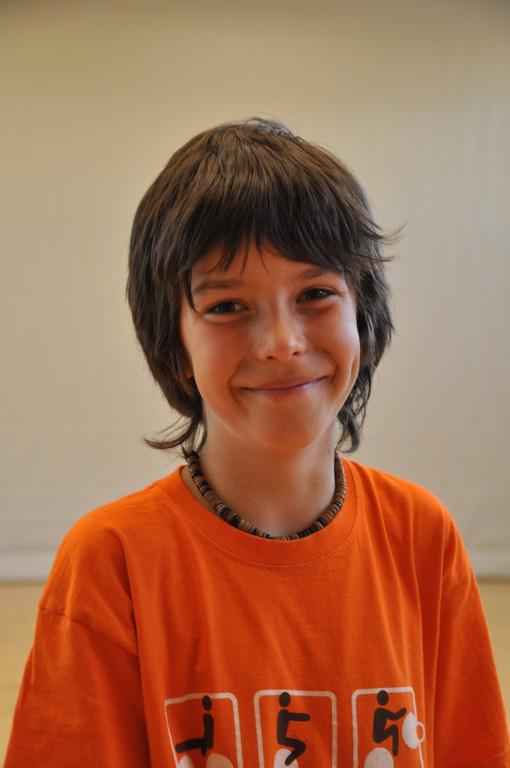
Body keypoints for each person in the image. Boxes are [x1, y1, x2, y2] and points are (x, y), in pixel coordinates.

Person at [4, 118, 509, 768]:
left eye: (316, 294)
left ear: (363, 316)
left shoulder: (422, 536)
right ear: (175, 348)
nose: (281, 343)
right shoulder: (113, 563)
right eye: (227, 307)